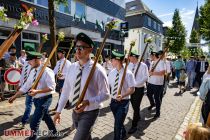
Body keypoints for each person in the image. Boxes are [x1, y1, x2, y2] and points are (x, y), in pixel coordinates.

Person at [54, 32, 110, 140]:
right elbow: (65, 90)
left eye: (82, 47)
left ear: (90, 50)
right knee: (86, 136)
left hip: (90, 112)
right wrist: (58, 111)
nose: (78, 50)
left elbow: (106, 94)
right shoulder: (72, 67)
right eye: (77, 47)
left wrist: (88, 101)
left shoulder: (98, 70)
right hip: (75, 110)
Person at [9, 51, 57, 140]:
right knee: (45, 116)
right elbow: (26, 86)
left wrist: (37, 91)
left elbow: (52, 87)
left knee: (34, 122)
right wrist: (14, 96)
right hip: (36, 99)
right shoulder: (32, 71)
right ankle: (54, 132)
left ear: (36, 60)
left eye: (30, 60)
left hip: (45, 99)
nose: (28, 63)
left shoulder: (47, 71)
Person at [108, 50, 135, 139]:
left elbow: (132, 89)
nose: (110, 61)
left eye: (112, 59)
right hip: (113, 102)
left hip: (123, 102)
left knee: (117, 125)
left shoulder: (128, 73)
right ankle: (123, 133)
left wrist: (122, 96)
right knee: (118, 121)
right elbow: (108, 86)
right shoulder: (111, 73)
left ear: (117, 60)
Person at [13, 46, 35, 129]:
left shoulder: (33, 62)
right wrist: (19, 84)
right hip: (25, 85)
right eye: (26, 52)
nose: (26, 54)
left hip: (32, 87)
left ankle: (23, 122)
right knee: (31, 104)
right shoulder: (26, 62)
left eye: (28, 52)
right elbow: (23, 74)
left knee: (28, 104)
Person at [127, 51, 148, 134]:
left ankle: (134, 125)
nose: (128, 58)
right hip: (130, 89)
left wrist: (135, 83)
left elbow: (145, 77)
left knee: (136, 106)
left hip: (139, 89)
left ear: (134, 57)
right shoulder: (129, 65)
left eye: (130, 56)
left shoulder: (143, 65)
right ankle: (138, 116)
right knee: (133, 104)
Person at [147, 51, 166, 119]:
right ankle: (152, 104)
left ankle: (158, 112)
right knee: (148, 94)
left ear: (154, 55)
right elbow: (150, 71)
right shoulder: (152, 62)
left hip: (157, 83)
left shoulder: (161, 62)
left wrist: (153, 73)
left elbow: (163, 72)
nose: (150, 57)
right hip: (150, 82)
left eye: (151, 56)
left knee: (157, 98)